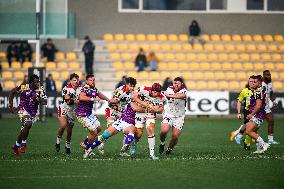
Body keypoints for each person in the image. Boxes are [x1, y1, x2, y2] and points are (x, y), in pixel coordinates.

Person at [83, 98, 153, 159]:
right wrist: (148, 109)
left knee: (132, 130)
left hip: (130, 124)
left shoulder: (146, 102)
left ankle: (124, 149)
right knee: (105, 135)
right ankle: (89, 150)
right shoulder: (134, 100)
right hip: (121, 121)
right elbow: (135, 108)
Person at [76, 74, 116, 158]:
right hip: (82, 115)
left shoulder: (94, 88)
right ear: (86, 81)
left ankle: (85, 143)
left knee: (99, 128)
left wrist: (108, 100)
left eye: (93, 80)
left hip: (89, 114)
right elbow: (81, 97)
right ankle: (87, 150)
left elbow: (99, 94)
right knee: (93, 132)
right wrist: (93, 99)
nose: (93, 81)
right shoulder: (85, 88)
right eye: (90, 80)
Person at [9, 74, 47, 157]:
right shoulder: (24, 87)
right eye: (36, 82)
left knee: (24, 130)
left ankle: (15, 146)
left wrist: (37, 98)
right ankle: (23, 145)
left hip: (33, 113)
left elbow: (45, 102)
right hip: (22, 110)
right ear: (31, 82)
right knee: (28, 123)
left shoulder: (41, 89)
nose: (38, 83)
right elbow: (12, 92)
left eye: (38, 82)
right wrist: (11, 106)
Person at [99, 77, 137, 154]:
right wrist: (118, 108)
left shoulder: (133, 93)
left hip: (123, 113)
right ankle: (101, 142)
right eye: (131, 86)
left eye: (133, 86)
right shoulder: (120, 91)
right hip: (112, 111)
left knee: (128, 130)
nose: (132, 88)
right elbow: (110, 103)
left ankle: (124, 151)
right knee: (110, 126)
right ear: (126, 84)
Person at [130, 83, 166, 160]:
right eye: (155, 92)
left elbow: (161, 108)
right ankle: (134, 143)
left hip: (151, 114)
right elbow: (133, 96)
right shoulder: (144, 89)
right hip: (140, 112)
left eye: (158, 92)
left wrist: (156, 109)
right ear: (151, 90)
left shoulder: (162, 96)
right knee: (138, 134)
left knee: (150, 129)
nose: (156, 94)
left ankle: (152, 154)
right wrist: (146, 104)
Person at [159, 77, 188, 155]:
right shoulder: (169, 88)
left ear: (181, 84)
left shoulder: (184, 90)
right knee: (164, 131)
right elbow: (163, 95)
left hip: (179, 116)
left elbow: (181, 96)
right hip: (168, 114)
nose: (176, 85)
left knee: (175, 136)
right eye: (175, 83)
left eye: (178, 83)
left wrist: (169, 95)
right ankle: (162, 143)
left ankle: (169, 149)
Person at [55, 73, 81, 154]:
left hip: (72, 111)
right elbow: (68, 101)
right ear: (70, 81)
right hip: (63, 108)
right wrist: (79, 101)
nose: (76, 81)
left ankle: (67, 146)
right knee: (63, 125)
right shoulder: (66, 88)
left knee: (69, 130)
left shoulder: (81, 88)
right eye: (74, 80)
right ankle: (58, 142)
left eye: (77, 80)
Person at [230, 75, 255, 150]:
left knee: (252, 126)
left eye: (254, 81)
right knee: (250, 126)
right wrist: (238, 113)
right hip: (248, 111)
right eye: (250, 81)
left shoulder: (259, 91)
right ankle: (247, 143)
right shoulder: (245, 91)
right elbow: (239, 101)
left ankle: (238, 134)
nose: (252, 83)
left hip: (257, 111)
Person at [262, 70, 279, 144]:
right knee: (253, 125)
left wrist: (273, 101)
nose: (268, 76)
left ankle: (270, 140)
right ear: (263, 75)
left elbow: (271, 93)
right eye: (266, 75)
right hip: (259, 108)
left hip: (266, 107)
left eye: (269, 75)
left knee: (271, 121)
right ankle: (238, 133)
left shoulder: (270, 84)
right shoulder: (261, 84)